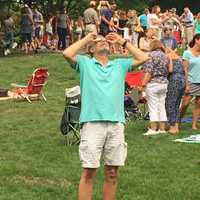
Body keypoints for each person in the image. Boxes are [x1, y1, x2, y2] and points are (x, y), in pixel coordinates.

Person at [63, 32, 148, 200]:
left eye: (106, 41)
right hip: (92, 124)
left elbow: (144, 57)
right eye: (99, 41)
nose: (103, 42)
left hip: (116, 124)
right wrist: (88, 38)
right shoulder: (85, 63)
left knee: (112, 173)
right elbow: (67, 53)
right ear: (91, 49)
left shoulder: (119, 65)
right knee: (89, 172)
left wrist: (122, 41)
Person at [141, 40, 169, 135]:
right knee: (162, 106)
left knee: (153, 107)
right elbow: (169, 70)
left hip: (153, 83)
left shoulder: (151, 55)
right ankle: (162, 129)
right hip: (164, 83)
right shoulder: (165, 56)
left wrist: (143, 84)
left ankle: (153, 129)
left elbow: (149, 71)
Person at [179, 34, 200, 130]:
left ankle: (194, 125)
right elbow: (185, 70)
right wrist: (187, 84)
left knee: (199, 103)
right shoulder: (187, 53)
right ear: (197, 40)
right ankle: (178, 121)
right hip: (191, 81)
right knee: (185, 103)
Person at [165, 49, 186, 134]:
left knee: (170, 103)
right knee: (177, 104)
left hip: (174, 80)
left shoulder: (168, 57)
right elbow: (185, 71)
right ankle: (176, 126)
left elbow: (169, 70)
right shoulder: (179, 58)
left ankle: (173, 127)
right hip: (182, 80)